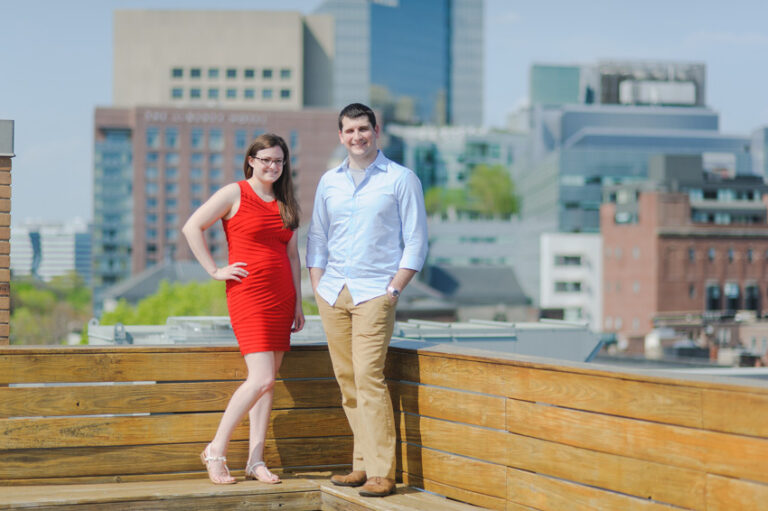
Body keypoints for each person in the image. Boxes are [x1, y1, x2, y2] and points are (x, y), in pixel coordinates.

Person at [306, 103, 428, 497]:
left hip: (376, 292)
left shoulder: (401, 179)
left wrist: (394, 289)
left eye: (363, 128)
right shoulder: (330, 181)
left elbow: (416, 240)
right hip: (332, 293)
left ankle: (381, 471)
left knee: (369, 377)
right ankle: (360, 465)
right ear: (340, 136)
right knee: (347, 381)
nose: (357, 136)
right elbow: (318, 237)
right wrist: (317, 283)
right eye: (349, 131)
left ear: (376, 130)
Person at [182, 133, 304, 485]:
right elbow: (191, 227)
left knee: (269, 384)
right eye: (266, 159)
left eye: (279, 161)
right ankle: (216, 450)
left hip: (282, 298)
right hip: (248, 294)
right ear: (251, 160)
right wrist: (215, 270)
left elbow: (293, 255)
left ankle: (255, 460)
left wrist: (298, 302)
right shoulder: (234, 192)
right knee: (261, 377)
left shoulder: (285, 201)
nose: (273, 166)